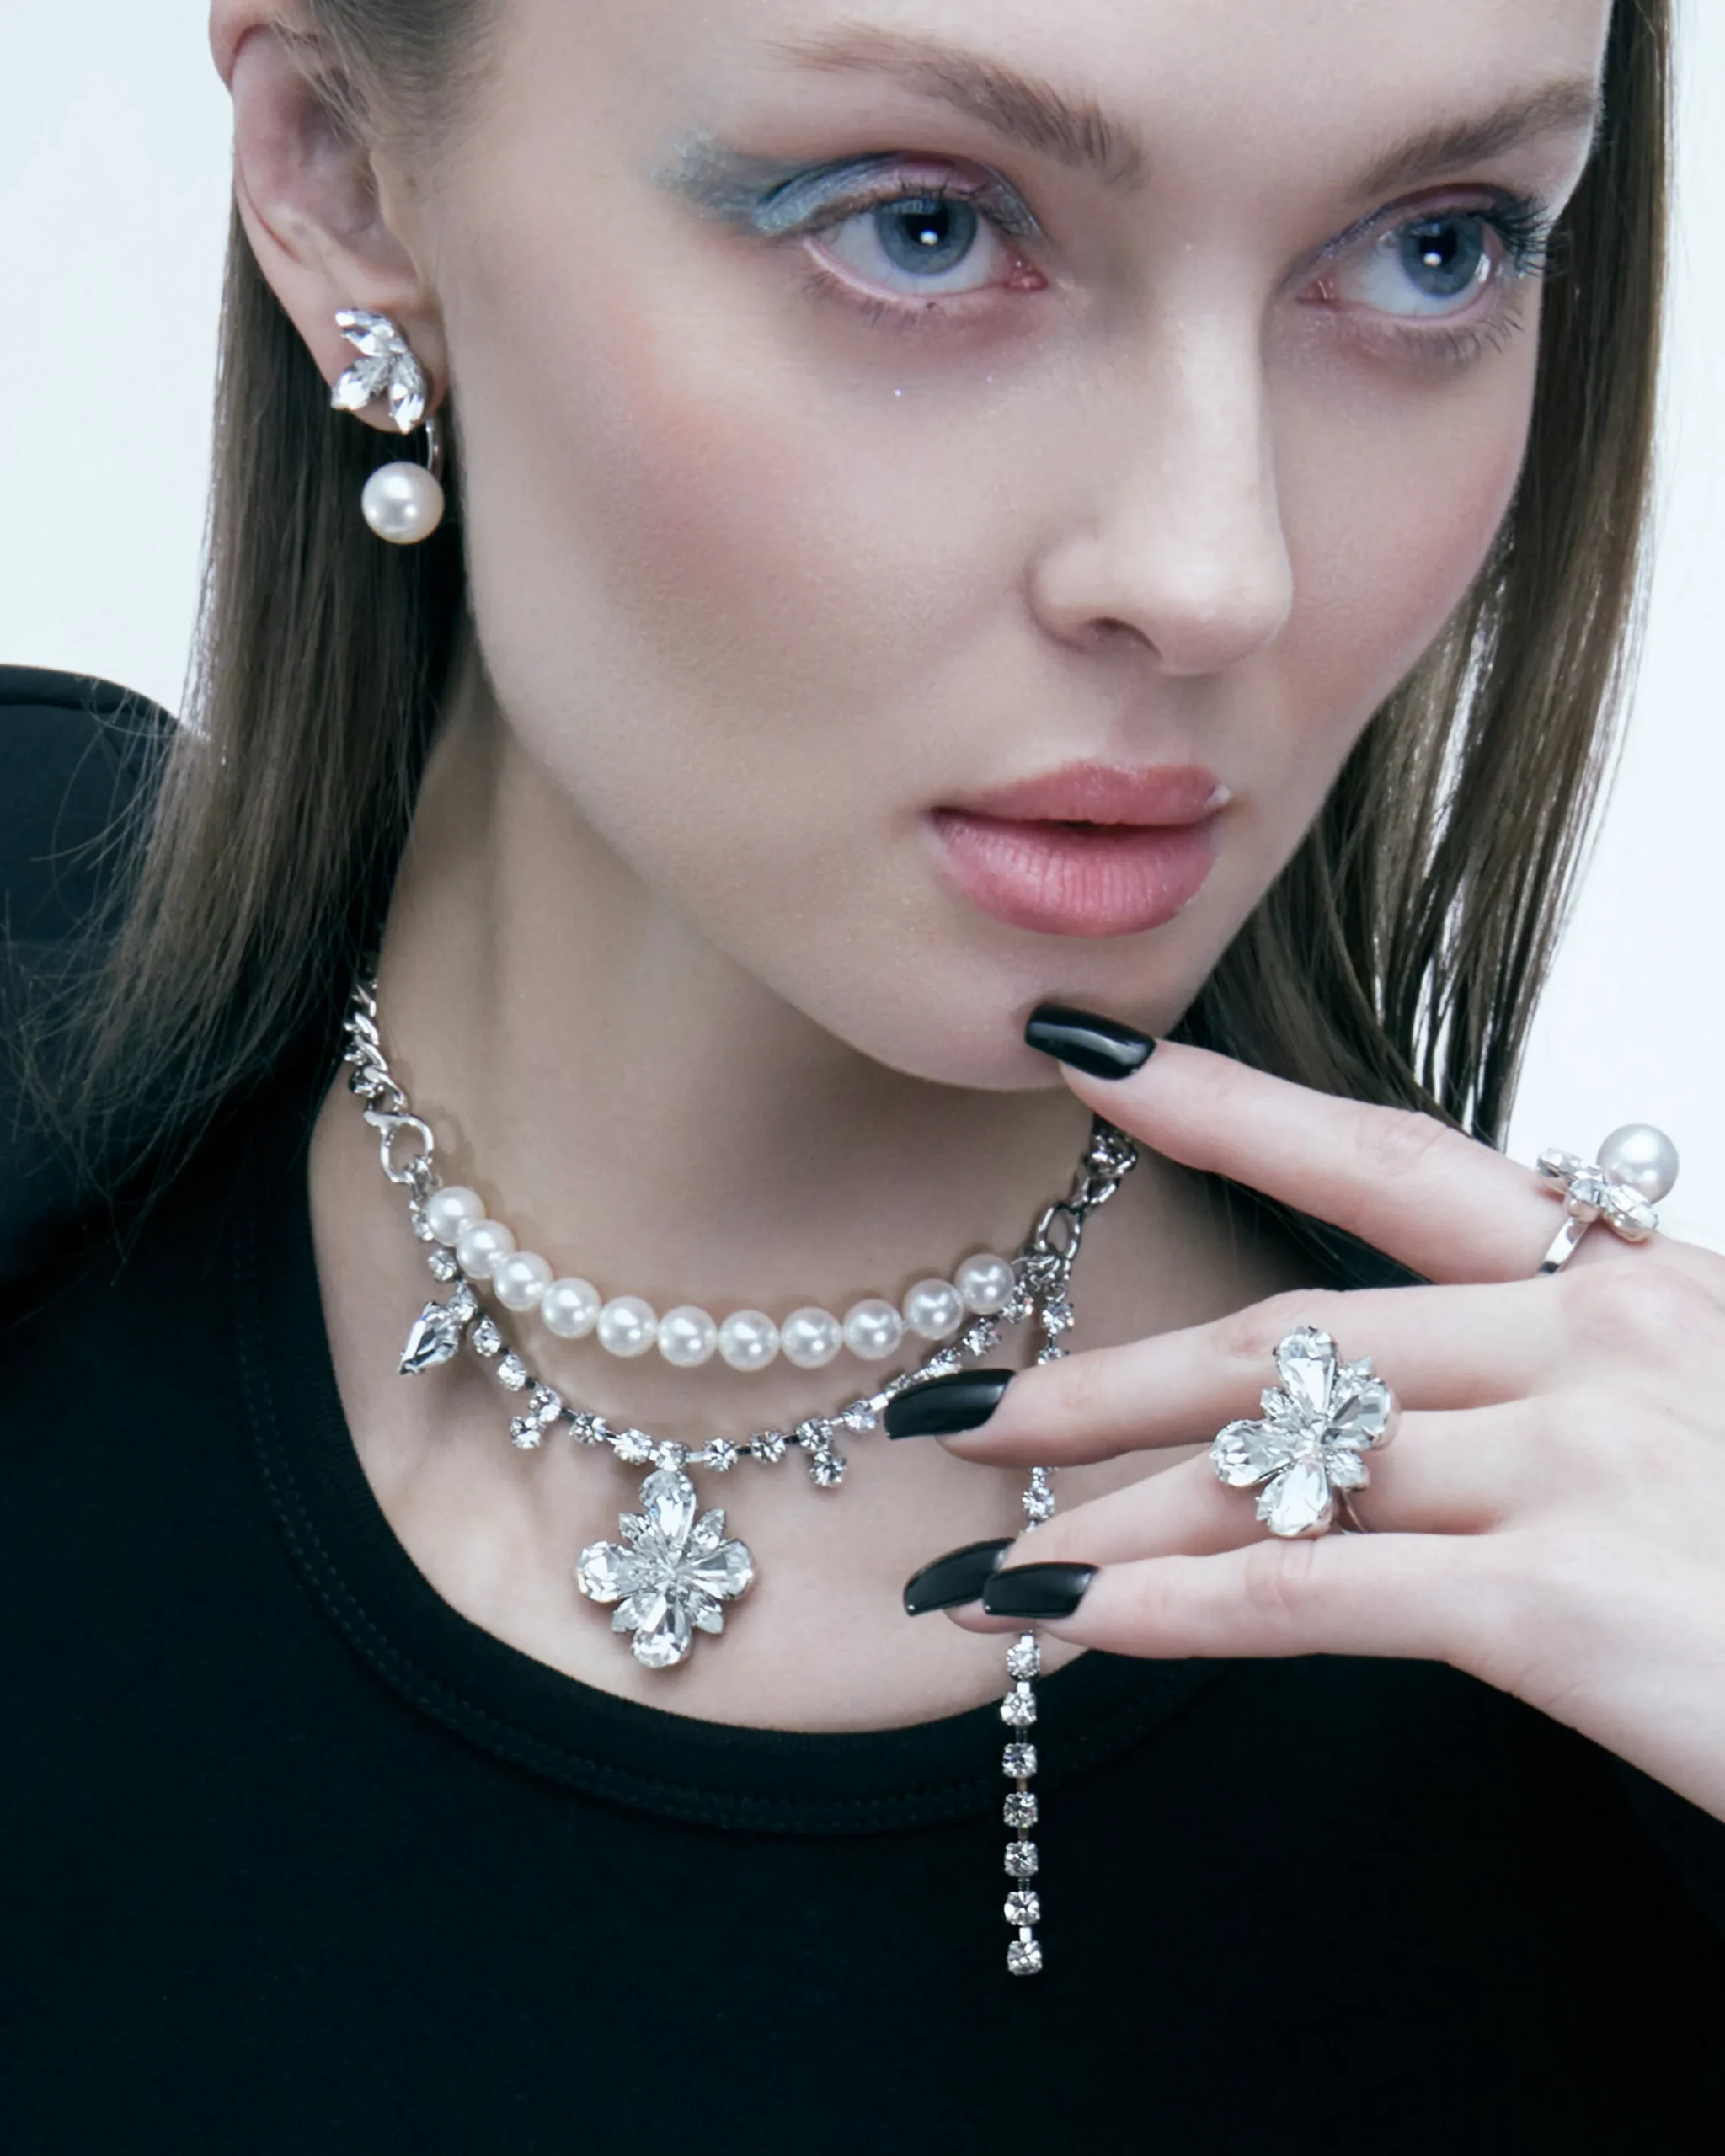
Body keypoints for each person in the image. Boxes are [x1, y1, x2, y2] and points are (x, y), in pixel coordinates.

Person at [7, 0, 1722, 2146]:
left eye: (1435, 248)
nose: (1213, 571)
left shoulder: (1616, 1740)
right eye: (922, 227)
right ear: (344, 180)